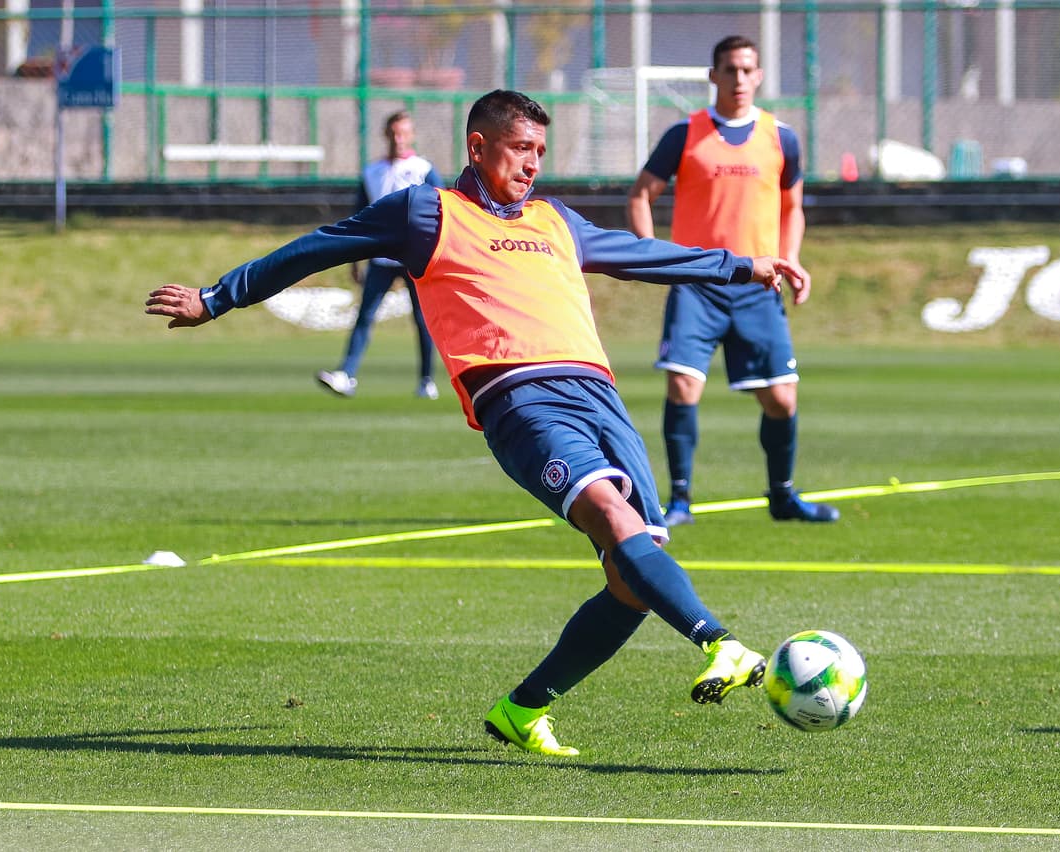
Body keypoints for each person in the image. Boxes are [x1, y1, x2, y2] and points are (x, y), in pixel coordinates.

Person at [146, 89, 807, 758]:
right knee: (611, 516)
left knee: (634, 578)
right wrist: (215, 298)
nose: (533, 164)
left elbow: (638, 255)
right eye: (522, 148)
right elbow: (314, 249)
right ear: (478, 147)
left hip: (601, 398)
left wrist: (740, 265)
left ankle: (523, 710)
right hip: (520, 400)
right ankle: (718, 642)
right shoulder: (426, 212)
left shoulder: (554, 219)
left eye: (541, 152)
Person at [626, 35, 840, 527]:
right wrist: (653, 256)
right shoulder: (685, 134)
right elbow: (641, 195)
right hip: (697, 284)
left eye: (747, 70)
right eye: (729, 69)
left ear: (759, 76)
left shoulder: (781, 137)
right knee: (682, 386)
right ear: (713, 76)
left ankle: (783, 496)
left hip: (758, 284)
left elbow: (792, 208)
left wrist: (790, 259)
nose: (739, 79)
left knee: (782, 398)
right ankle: (679, 501)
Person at [316, 110, 445, 400]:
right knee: (365, 316)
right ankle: (346, 374)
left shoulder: (423, 169)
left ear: (411, 135)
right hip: (381, 258)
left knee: (423, 320)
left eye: (404, 133)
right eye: (394, 133)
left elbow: (444, 212)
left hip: (416, 258)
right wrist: (353, 259)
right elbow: (358, 219)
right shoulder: (371, 173)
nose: (399, 139)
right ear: (386, 135)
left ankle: (426, 379)